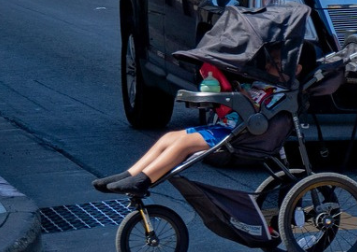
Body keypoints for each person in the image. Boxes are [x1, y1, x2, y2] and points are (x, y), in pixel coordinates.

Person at [92, 63, 280, 198]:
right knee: (169, 137)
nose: (268, 66)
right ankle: (131, 174)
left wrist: (244, 97)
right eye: (270, 62)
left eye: (275, 64)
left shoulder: (277, 93)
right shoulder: (260, 84)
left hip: (243, 133)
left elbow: (260, 114)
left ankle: (142, 180)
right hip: (228, 126)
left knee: (183, 144)